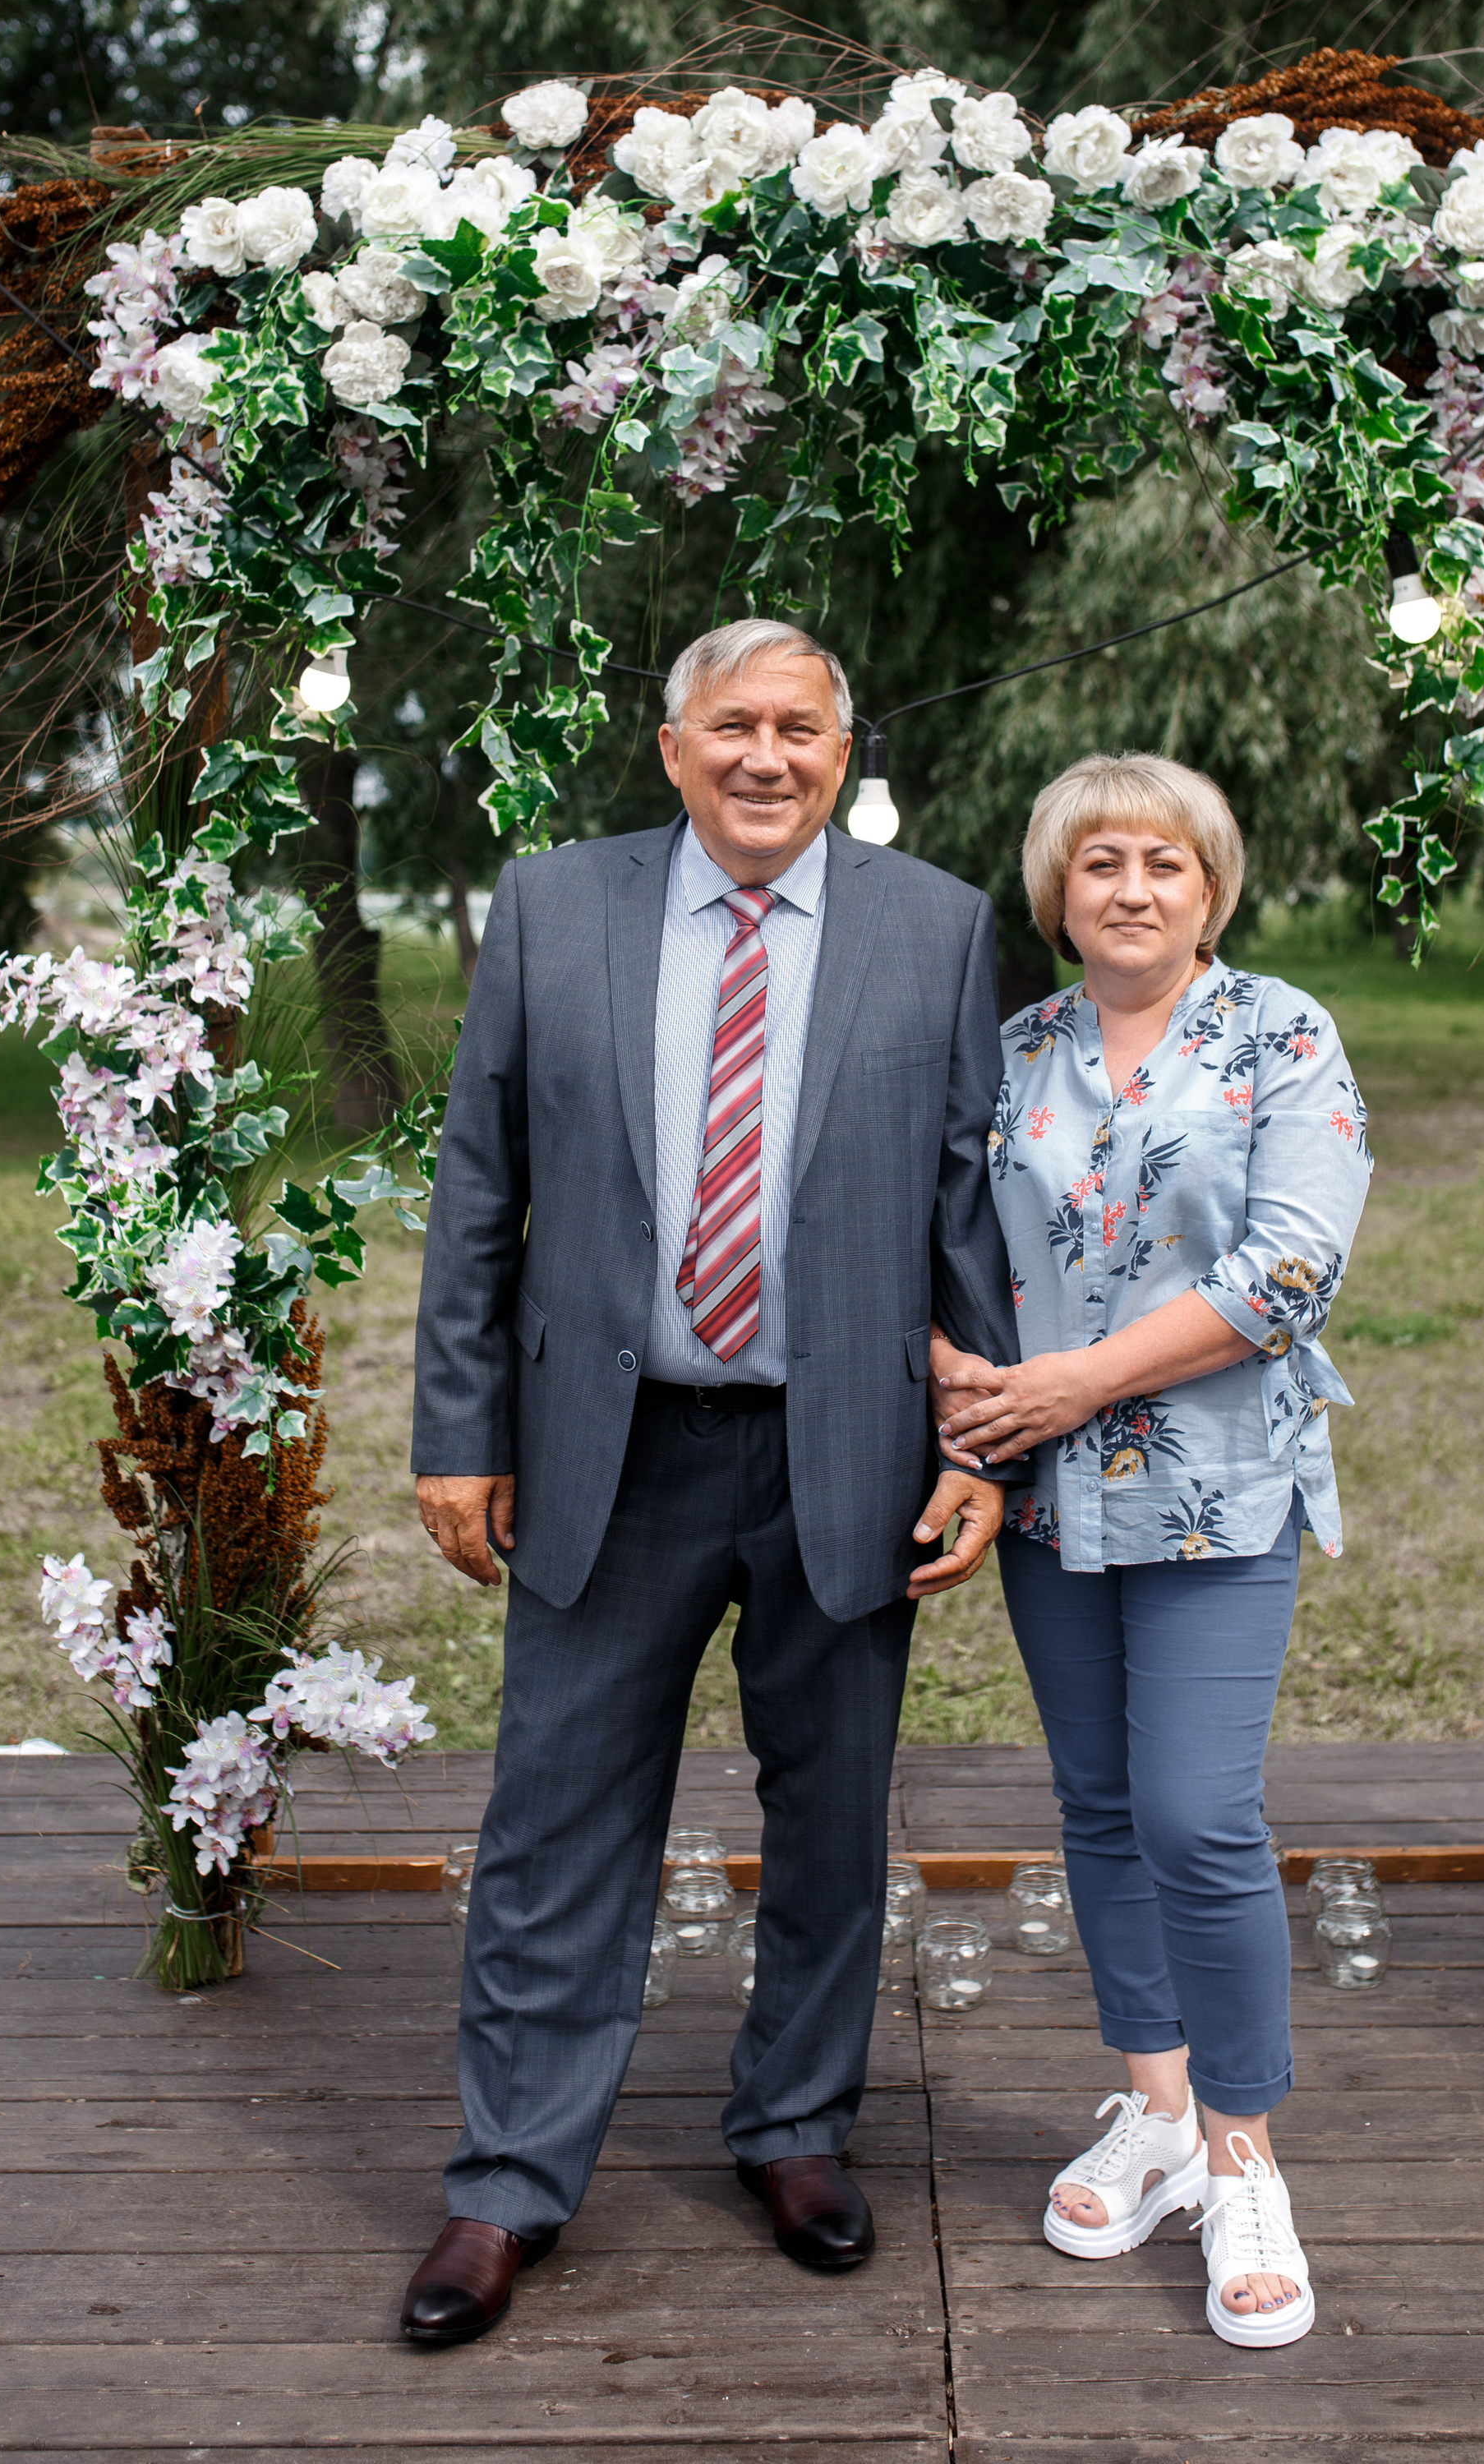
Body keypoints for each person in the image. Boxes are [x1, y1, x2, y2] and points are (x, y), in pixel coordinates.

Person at [399, 616, 1024, 2346]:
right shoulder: (553, 907)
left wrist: (975, 1455)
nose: (767, 756)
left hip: (845, 1453)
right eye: (732, 726)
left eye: (800, 728)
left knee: (829, 1818)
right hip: (609, 1452)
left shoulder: (936, 927)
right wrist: (458, 1428)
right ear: (671, 748)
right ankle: (504, 2186)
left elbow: (962, 1208)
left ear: (844, 750)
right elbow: (476, 1193)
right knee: (553, 1824)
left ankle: (796, 2130)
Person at [933, 753, 1371, 2353]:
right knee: (1101, 1813)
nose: (1128, 887)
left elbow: (1290, 1270)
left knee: (1196, 1815)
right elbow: (952, 1249)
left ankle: (1246, 2155)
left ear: (1210, 886)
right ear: (1054, 890)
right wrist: (963, 1390)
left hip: (1215, 1487)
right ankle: (1157, 2115)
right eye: (1097, 861)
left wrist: (1076, 1380)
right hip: (1047, 1501)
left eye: (1161, 863)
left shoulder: (1278, 1034)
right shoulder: (1008, 1053)